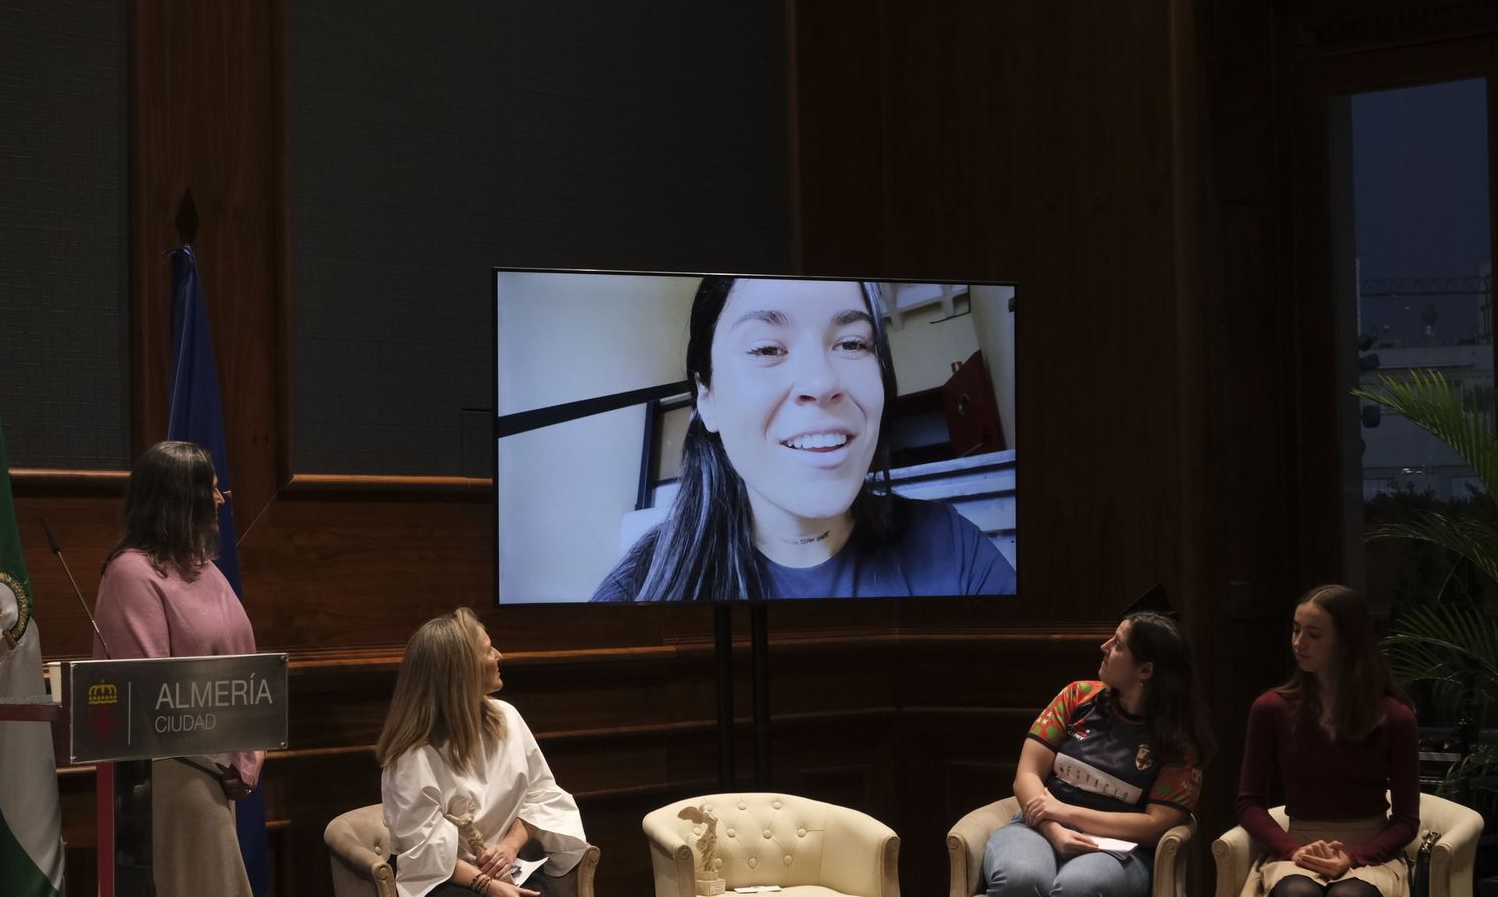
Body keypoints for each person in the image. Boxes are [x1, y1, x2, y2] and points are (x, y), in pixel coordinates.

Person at [591, 275, 1017, 601]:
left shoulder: (952, 546)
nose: (822, 381)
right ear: (707, 396)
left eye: (852, 343)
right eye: (767, 349)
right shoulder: (640, 588)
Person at [91, 440, 262, 897]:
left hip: (219, 772)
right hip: (171, 774)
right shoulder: (132, 574)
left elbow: (246, 672)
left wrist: (248, 757)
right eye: (211, 488)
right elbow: (149, 693)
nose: (221, 499)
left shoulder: (207, 569)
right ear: (178, 497)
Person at [983, 612, 1212, 897]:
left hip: (1117, 849)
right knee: (1021, 879)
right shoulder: (1077, 696)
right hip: (1039, 826)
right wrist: (1054, 827)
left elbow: (1156, 825)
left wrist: (1067, 812)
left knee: (1076, 888)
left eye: (1117, 645)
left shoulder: (1178, 742)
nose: (1104, 646)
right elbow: (1026, 774)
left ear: (1145, 670)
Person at [378, 608, 588, 897]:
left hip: (505, 865)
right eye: (489, 651)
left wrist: (509, 847)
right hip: (444, 878)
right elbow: (423, 852)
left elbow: (542, 795)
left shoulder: (508, 717)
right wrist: (488, 886)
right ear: (462, 672)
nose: (499, 656)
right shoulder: (413, 754)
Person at [1235, 585, 1419, 897]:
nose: (1298, 643)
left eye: (1314, 634)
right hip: (1299, 848)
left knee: (1349, 895)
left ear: (1347, 642)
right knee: (1297, 892)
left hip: (1368, 852)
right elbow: (1248, 803)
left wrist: (1353, 856)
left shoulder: (1395, 716)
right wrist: (1294, 850)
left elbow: (1406, 821)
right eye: (1295, 630)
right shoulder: (1271, 708)